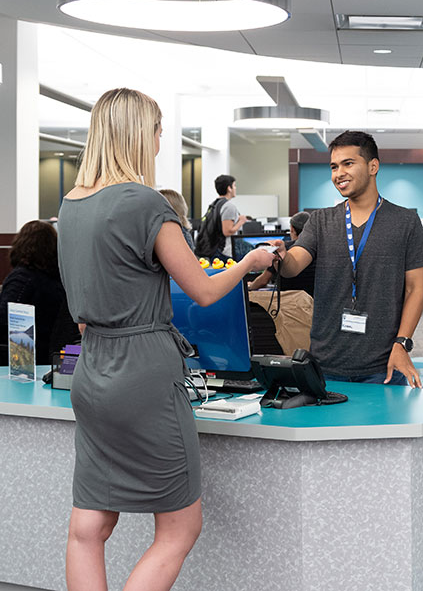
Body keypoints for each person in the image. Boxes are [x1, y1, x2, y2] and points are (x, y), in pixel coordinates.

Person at [56, 88, 276, 591]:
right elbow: (201, 290)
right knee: (180, 526)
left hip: (92, 371)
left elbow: (83, 311)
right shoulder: (143, 202)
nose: (159, 143)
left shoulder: (71, 205)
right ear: (138, 135)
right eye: (157, 132)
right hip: (144, 375)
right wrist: (248, 263)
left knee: (89, 527)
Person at [274, 130, 423, 388]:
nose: (339, 173)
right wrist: (281, 257)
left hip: (384, 364)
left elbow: (416, 289)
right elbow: (294, 264)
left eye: (348, 163)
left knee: (385, 429)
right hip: (326, 362)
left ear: (373, 166)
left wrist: (402, 343)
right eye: (334, 166)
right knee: (328, 429)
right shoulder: (321, 220)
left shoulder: (405, 222)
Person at [0, 220, 77, 361]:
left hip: (23, 358)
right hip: (53, 356)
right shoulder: (60, 280)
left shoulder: (21, 278)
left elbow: (5, 319)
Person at [248, 211, 316, 296]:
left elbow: (263, 280)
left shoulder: (282, 249)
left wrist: (250, 287)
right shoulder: (318, 249)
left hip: (288, 302)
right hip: (313, 301)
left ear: (292, 229)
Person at [194, 174, 246, 260]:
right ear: (229, 188)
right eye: (234, 185)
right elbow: (227, 232)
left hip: (214, 250)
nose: (235, 188)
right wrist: (241, 221)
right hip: (224, 253)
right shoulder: (229, 206)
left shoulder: (214, 204)